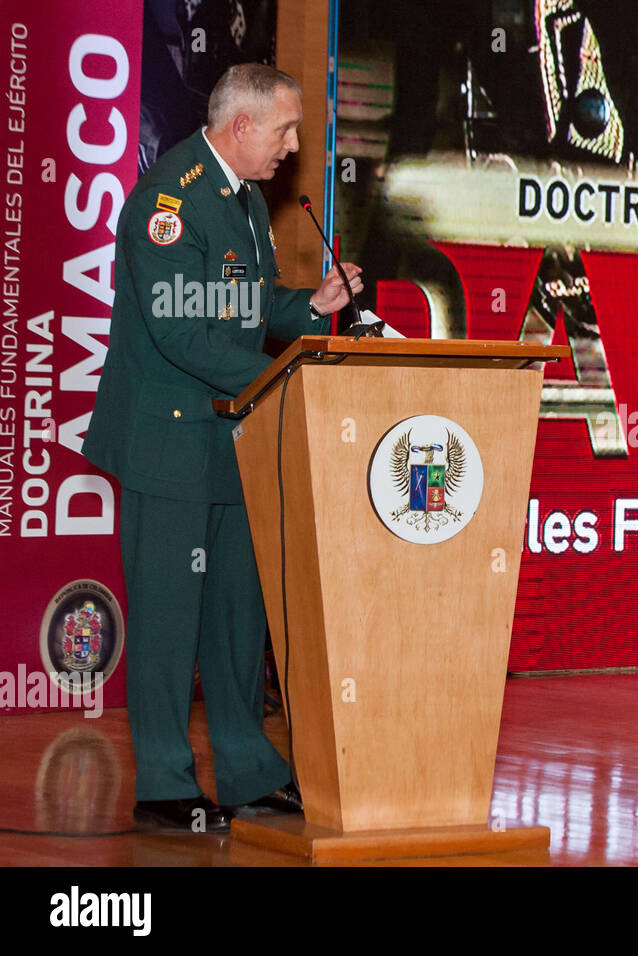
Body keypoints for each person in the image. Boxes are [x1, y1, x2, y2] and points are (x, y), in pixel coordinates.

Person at [82, 63, 362, 832]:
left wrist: (309, 306)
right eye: (285, 130)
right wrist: (290, 371)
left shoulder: (242, 197)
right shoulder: (167, 202)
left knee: (238, 619)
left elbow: (240, 301)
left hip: (234, 436)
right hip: (168, 446)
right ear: (241, 127)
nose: (294, 145)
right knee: (171, 620)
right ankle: (166, 784)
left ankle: (247, 770)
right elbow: (179, 331)